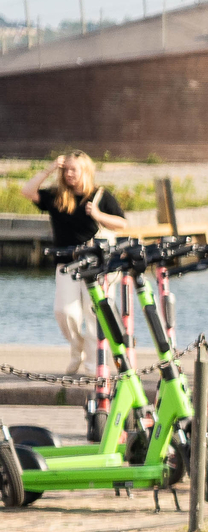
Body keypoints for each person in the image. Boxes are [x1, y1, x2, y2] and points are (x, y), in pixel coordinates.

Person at [29, 153, 125, 373]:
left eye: (74, 169)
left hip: (96, 264)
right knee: (64, 312)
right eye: (66, 170)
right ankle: (77, 347)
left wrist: (99, 215)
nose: (69, 174)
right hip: (66, 263)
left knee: (94, 314)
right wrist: (50, 168)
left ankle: (92, 366)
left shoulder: (100, 195)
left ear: (86, 171)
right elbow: (28, 191)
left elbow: (121, 223)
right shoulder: (57, 196)